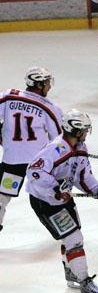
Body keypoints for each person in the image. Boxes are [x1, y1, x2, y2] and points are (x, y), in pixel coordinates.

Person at [26, 109, 98, 293]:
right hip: (46, 202)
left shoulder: (80, 148)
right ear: (76, 130)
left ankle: (72, 274)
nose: (87, 133)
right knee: (74, 239)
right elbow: (34, 171)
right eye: (85, 129)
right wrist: (54, 191)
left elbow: (83, 176)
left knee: (71, 238)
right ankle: (85, 282)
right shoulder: (56, 149)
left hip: (63, 199)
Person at [0, 67, 63, 233]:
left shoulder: (8, 96)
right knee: (54, 195)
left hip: (13, 161)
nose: (49, 86)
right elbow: (60, 140)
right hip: (39, 165)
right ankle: (66, 231)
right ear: (40, 84)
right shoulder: (49, 107)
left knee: (2, 197)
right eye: (47, 83)